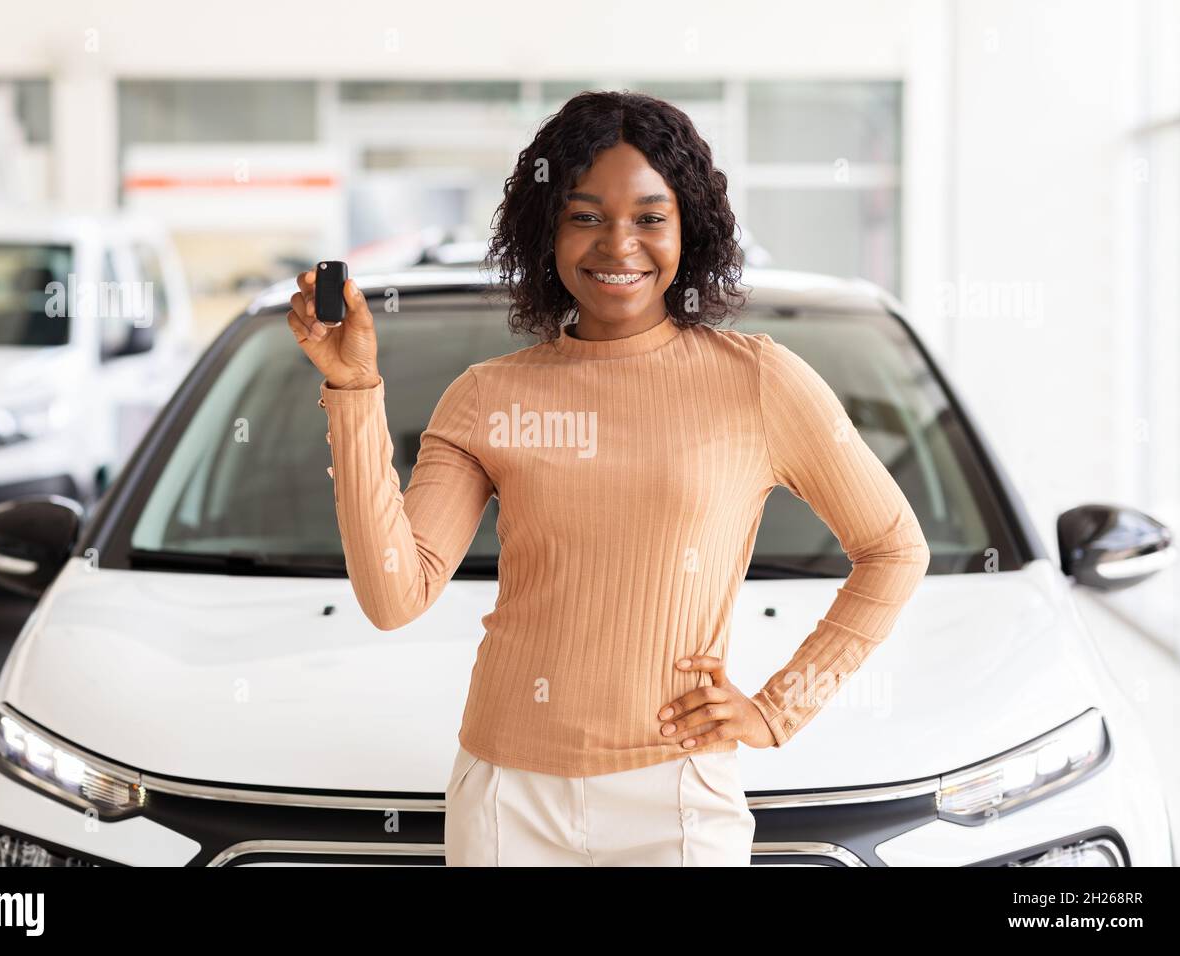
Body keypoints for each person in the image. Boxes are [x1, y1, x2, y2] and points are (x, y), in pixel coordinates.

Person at [286, 90, 930, 866]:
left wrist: (778, 710)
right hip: (507, 796)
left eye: (650, 218)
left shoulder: (759, 381)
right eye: (585, 215)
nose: (618, 245)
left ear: (688, 229)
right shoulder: (489, 396)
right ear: (546, 229)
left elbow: (893, 548)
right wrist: (354, 392)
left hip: (680, 798)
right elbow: (394, 596)